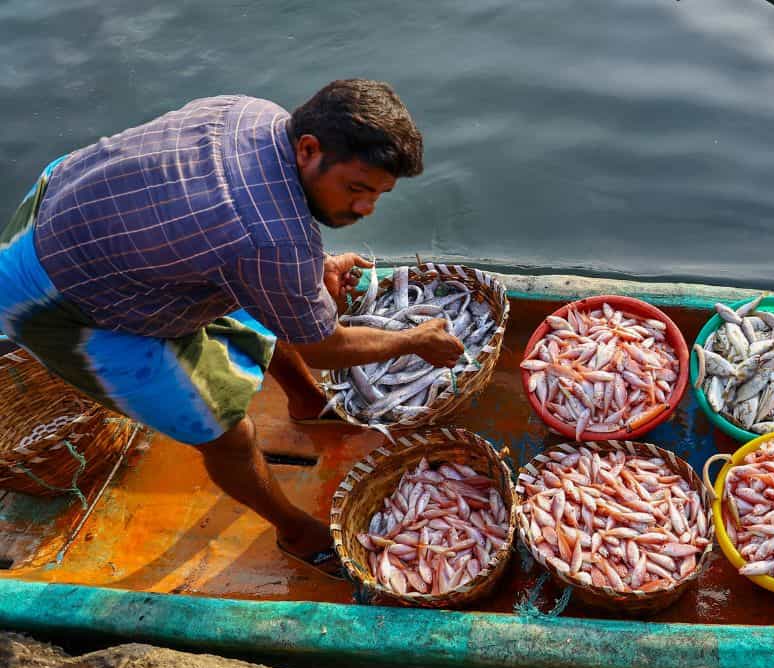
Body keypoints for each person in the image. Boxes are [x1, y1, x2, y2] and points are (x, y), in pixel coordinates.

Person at [0, 79, 464, 579]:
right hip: (55, 295)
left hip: (69, 200)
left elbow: (230, 227)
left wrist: (313, 266)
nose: (366, 208)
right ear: (309, 150)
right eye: (357, 188)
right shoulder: (268, 241)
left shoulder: (253, 113)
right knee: (227, 434)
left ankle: (307, 403)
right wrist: (415, 340)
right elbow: (324, 345)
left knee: (277, 294)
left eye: (378, 194)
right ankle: (295, 532)